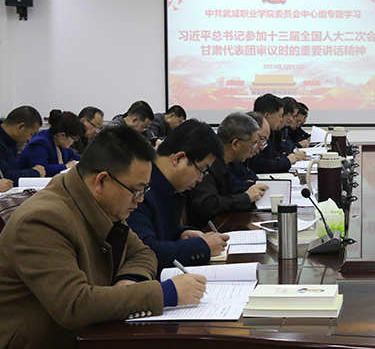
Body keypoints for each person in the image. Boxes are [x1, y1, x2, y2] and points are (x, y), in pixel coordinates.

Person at [0, 125, 206, 348]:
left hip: (90, 334)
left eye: (144, 191)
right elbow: (74, 306)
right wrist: (166, 293)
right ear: (101, 181)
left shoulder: (102, 202)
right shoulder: (42, 220)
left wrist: (130, 282)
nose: (140, 199)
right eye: (136, 190)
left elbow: (143, 253)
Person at [127, 119, 230, 271]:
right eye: (201, 170)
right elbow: (145, 251)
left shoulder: (168, 187)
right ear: (178, 158)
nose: (200, 179)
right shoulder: (140, 187)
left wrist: (182, 233)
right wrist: (201, 247)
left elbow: (161, 232)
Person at [186, 113, 268, 228]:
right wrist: (246, 198)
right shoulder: (207, 162)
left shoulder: (226, 162)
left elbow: (231, 188)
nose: (255, 149)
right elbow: (208, 204)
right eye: (253, 144)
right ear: (235, 144)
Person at [18, 109, 83, 177]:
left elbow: (77, 159)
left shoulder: (60, 144)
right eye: (74, 138)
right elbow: (42, 169)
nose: (74, 142)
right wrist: (66, 167)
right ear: (62, 135)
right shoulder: (39, 143)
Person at [248, 94, 302, 173]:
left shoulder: (273, 132)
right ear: (267, 115)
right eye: (280, 116)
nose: (281, 120)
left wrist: (287, 158)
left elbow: (274, 156)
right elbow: (257, 164)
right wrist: (287, 161)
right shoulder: (252, 132)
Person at [0, 106, 45, 184]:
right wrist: (35, 172)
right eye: (31, 134)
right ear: (20, 127)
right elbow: (6, 177)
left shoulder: (11, 141)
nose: (29, 139)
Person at [227, 111, 270, 186]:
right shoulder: (225, 161)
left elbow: (250, 174)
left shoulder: (242, 158)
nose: (262, 147)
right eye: (261, 139)